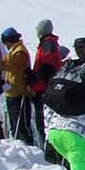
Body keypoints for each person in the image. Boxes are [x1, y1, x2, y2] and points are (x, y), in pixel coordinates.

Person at [31, 20, 65, 149]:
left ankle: (48, 149)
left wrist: (33, 77)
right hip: (45, 85)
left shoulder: (48, 43)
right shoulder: (49, 43)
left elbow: (46, 65)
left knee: (43, 121)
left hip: (44, 87)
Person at [0, 27, 33, 144]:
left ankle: (27, 146)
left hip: (19, 92)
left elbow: (12, 66)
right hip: (12, 91)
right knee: (15, 124)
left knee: (20, 124)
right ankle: (19, 144)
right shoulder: (14, 50)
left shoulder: (19, 52)